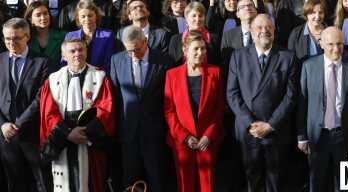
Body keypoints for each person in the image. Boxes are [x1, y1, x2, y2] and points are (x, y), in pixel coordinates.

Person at [227, 14, 298, 192]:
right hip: (249, 130)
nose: (264, 31)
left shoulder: (287, 56)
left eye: (268, 27)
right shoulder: (238, 56)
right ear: (251, 32)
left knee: (276, 182)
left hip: (276, 130)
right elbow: (232, 93)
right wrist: (251, 123)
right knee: (253, 179)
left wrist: (271, 124)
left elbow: (291, 95)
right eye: (259, 27)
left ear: (274, 31)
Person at [39, 37, 114, 192]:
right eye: (72, 51)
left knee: (92, 183)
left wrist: (84, 133)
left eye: (81, 50)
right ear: (63, 55)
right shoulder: (53, 80)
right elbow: (49, 113)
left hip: (89, 141)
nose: (77, 54)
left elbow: (105, 109)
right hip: (63, 141)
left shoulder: (100, 78)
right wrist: (67, 134)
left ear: (86, 52)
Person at [296, 27, 348, 192]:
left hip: (344, 135)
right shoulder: (308, 66)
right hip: (317, 135)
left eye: (339, 43)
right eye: (331, 44)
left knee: (344, 184)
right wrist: (302, 136)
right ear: (321, 44)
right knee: (316, 182)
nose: (336, 48)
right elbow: (302, 104)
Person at [109, 25, 174, 192]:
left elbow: (170, 96)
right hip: (128, 131)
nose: (133, 55)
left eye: (137, 50)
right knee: (129, 180)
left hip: (153, 130)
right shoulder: (117, 60)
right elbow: (115, 96)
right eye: (129, 51)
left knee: (157, 178)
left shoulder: (164, 60)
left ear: (146, 41)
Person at [164, 30, 225, 192]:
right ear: (185, 50)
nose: (200, 53)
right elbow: (169, 111)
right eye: (196, 49)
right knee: (185, 185)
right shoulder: (172, 75)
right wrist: (184, 136)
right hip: (183, 140)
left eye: (203, 48)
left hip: (208, 140)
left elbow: (219, 108)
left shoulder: (215, 72)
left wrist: (208, 135)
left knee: (208, 185)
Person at [0, 18, 52, 191]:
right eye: (7, 39)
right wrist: (4, 125)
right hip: (5, 135)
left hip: (33, 134)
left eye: (16, 38)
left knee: (41, 182)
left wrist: (18, 126)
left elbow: (41, 99)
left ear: (27, 36)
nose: (11, 43)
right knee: (15, 183)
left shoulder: (43, 62)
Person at [65, 1, 114, 73]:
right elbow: (65, 61)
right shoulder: (70, 36)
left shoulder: (108, 35)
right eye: (83, 16)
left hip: (98, 77)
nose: (87, 19)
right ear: (78, 18)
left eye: (90, 15)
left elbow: (108, 64)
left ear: (96, 16)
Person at [24, 0, 67, 71]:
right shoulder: (26, 39)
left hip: (56, 79)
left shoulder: (63, 35)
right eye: (38, 15)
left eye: (45, 13)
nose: (43, 18)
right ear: (31, 20)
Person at [287, 0, 328, 64]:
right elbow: (290, 61)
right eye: (313, 13)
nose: (317, 16)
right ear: (306, 14)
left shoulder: (331, 33)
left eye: (320, 12)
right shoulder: (296, 34)